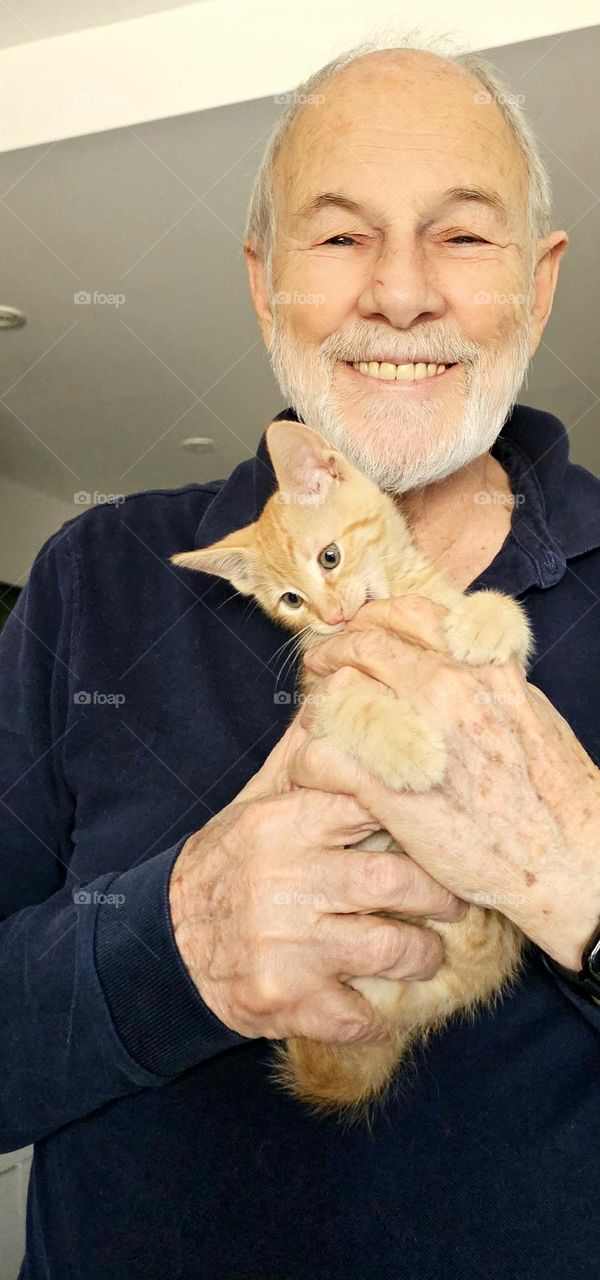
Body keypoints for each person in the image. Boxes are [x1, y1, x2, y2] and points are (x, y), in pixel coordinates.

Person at [2, 35, 599, 1280]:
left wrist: (583, 878)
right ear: (264, 282)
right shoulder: (96, 575)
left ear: (537, 289)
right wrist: (177, 938)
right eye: (337, 238)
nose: (399, 293)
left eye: (464, 235)